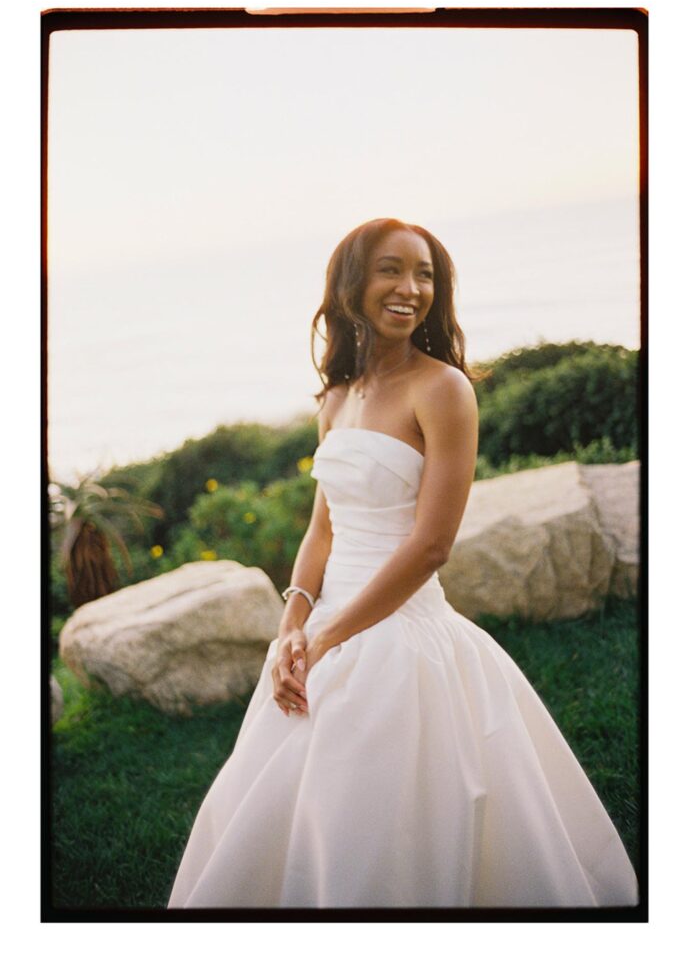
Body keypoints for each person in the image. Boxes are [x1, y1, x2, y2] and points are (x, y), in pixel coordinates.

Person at [167, 217, 639, 909]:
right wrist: (291, 626)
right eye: (391, 269)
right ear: (351, 282)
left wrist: (330, 637)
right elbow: (320, 527)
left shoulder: (443, 389)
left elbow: (430, 545)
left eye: (424, 275)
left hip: (402, 636)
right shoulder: (336, 399)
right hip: (323, 626)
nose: (409, 288)